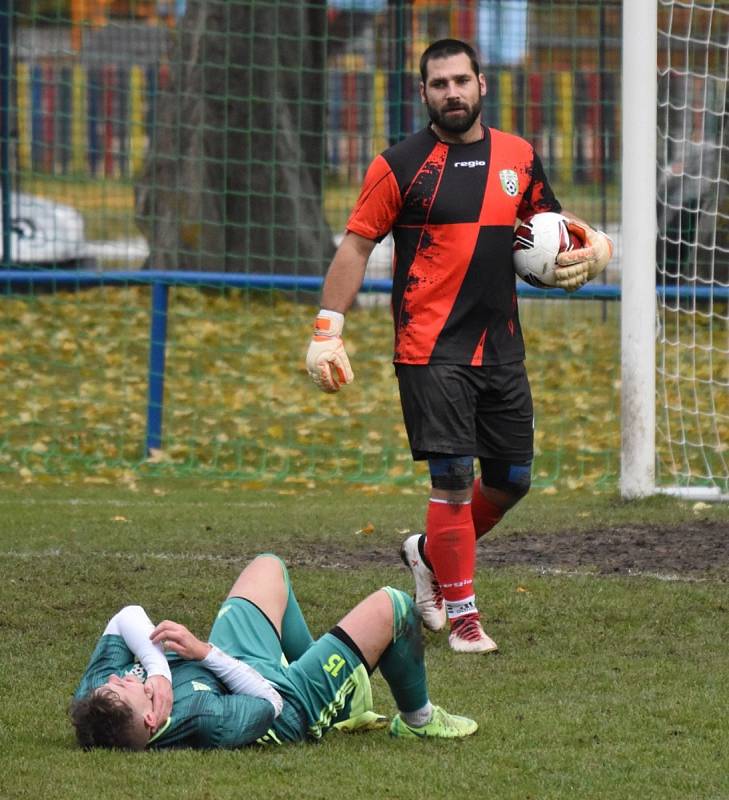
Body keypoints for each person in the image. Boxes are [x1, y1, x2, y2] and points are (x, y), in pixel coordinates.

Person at [305, 39, 612, 654]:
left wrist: (595, 246)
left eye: (460, 81)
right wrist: (327, 329)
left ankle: (427, 554)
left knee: (511, 479)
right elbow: (357, 245)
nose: (452, 93)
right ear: (423, 93)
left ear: (481, 85)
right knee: (450, 479)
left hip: (500, 345)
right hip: (429, 346)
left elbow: (548, 229)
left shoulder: (519, 157)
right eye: (438, 83)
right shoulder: (398, 165)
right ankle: (465, 620)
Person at [70, 553, 478, 750]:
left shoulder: (95, 701)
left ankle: (341, 680)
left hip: (230, 660)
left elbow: (127, 617)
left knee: (268, 567)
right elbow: (270, 701)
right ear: (151, 716)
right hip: (287, 696)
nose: (117, 677)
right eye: (127, 686)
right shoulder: (206, 720)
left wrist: (157, 671)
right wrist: (205, 653)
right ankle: (418, 719)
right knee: (395, 605)